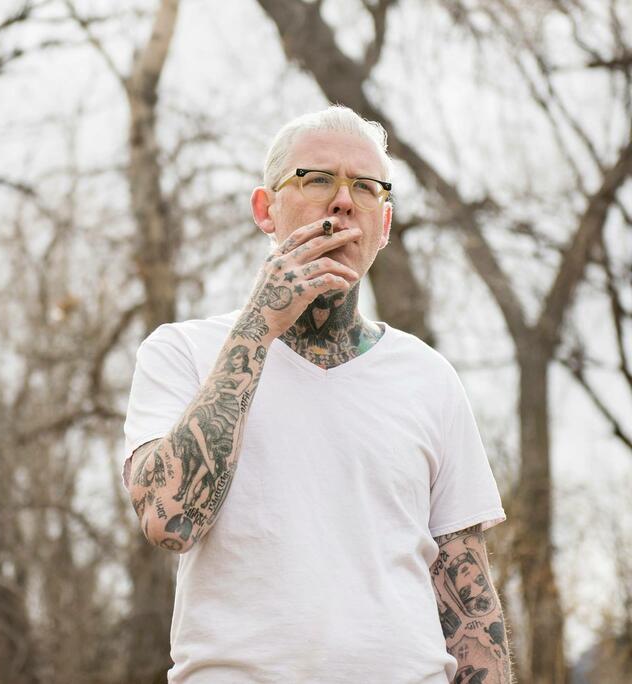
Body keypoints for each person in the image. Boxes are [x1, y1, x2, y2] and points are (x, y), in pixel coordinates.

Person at [122, 105, 512, 683]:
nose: (343, 201)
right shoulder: (181, 351)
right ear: (265, 209)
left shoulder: (429, 377)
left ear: (384, 224)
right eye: (318, 179)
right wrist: (259, 325)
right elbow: (170, 520)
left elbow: (470, 609)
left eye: (366, 187)